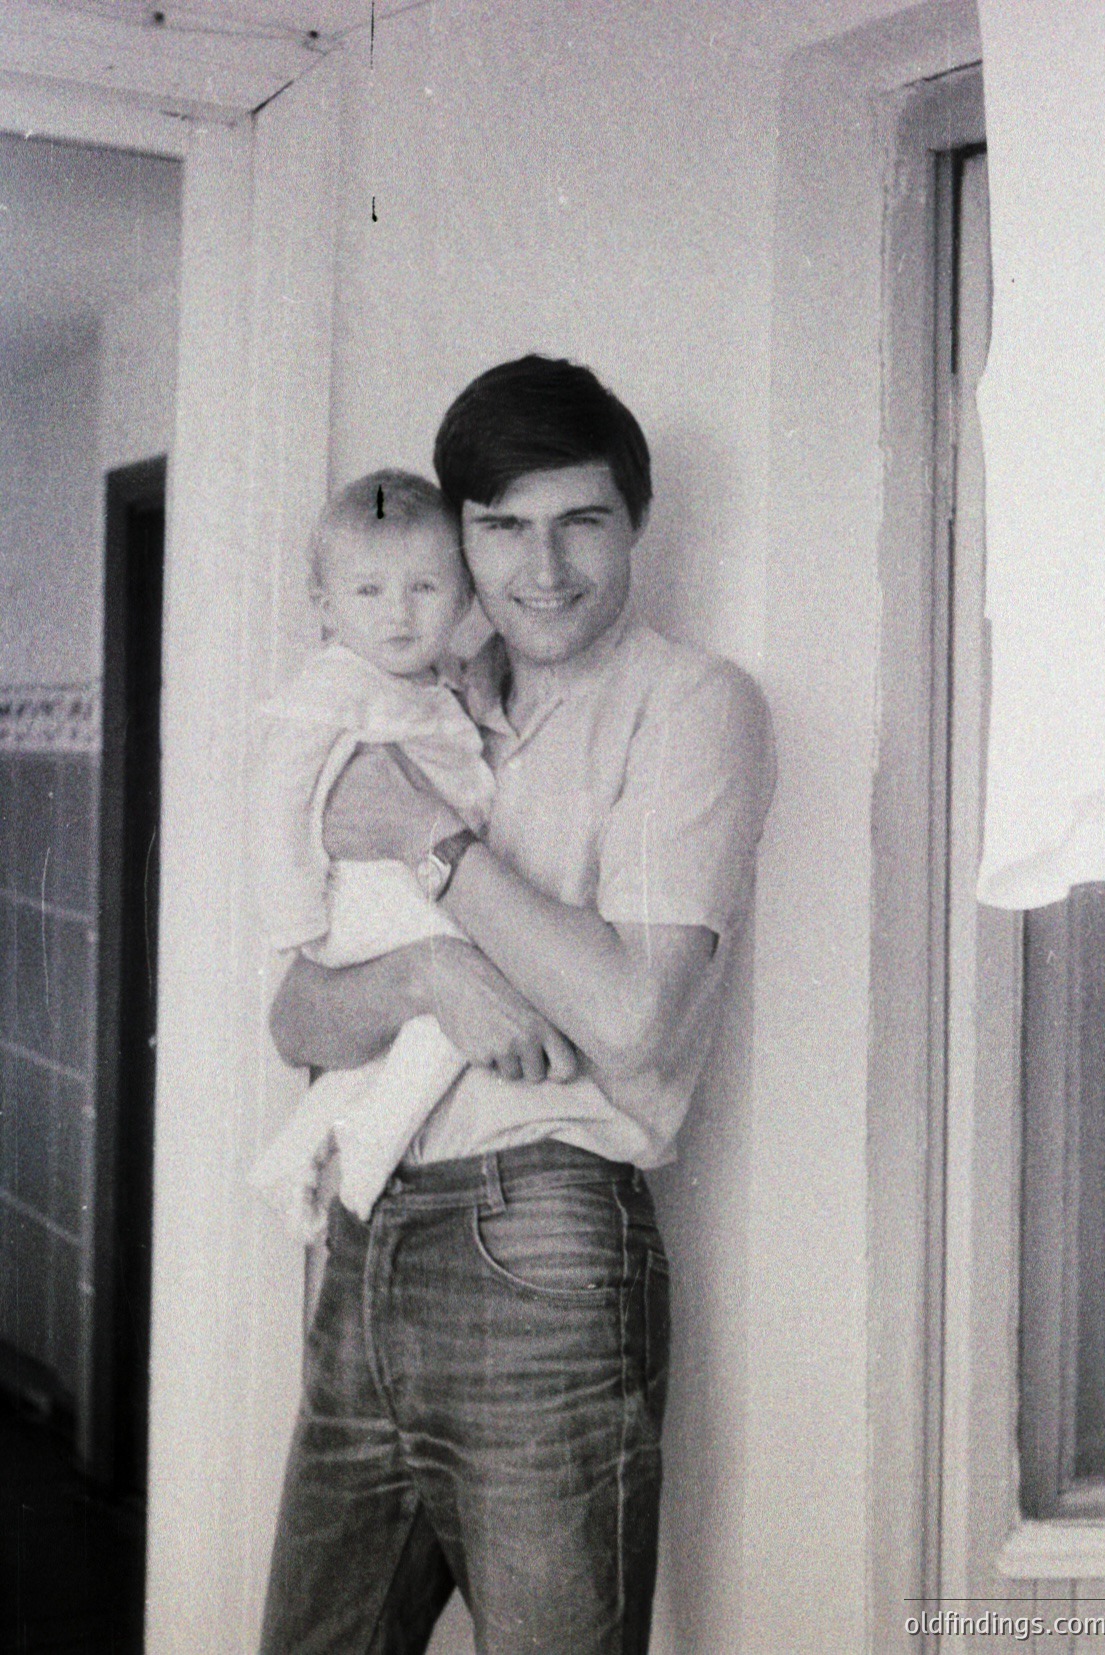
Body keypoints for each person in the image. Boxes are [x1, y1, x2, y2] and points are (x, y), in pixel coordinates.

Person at [259, 356, 775, 1655]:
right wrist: (430, 972)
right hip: (365, 1242)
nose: (542, 568)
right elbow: (296, 1020)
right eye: (501, 526)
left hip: (541, 1240)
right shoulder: (420, 694)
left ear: (634, 522)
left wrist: (433, 843)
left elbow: (636, 1015)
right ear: (460, 536)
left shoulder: (690, 703)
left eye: (580, 521)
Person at [247, 469, 544, 1238]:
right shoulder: (336, 683)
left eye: (424, 588)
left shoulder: (433, 679)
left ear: (464, 597)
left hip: (405, 881)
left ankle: (299, 1145)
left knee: (417, 1019)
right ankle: (375, 1138)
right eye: (368, 592)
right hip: (359, 892)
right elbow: (278, 792)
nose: (399, 614)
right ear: (325, 606)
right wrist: (293, 915)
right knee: (476, 975)